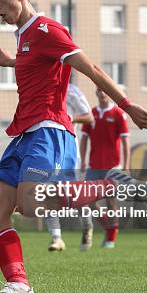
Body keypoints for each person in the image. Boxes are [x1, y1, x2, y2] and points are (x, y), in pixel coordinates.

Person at [0, 0, 147, 293]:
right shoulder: (23, 36)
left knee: (31, 204)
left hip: (49, 131)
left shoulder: (48, 30)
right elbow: (38, 65)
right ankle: (19, 286)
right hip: (23, 135)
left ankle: (113, 184)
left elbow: (90, 67)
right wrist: (11, 62)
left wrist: (127, 105)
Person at [79, 88, 130, 250]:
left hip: (112, 167)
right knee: (88, 201)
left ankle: (111, 239)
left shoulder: (118, 114)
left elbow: (125, 142)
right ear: (96, 93)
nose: (102, 93)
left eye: (105, 90)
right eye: (99, 90)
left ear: (109, 93)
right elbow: (84, 139)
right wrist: (83, 161)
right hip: (93, 166)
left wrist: (126, 165)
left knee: (111, 201)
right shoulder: (91, 114)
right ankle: (109, 226)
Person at [45, 83, 93, 251]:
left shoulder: (72, 90)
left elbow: (89, 117)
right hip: (46, 150)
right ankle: (56, 238)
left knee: (75, 197)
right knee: (47, 194)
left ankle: (87, 225)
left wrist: (70, 118)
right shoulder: (40, 87)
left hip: (69, 152)